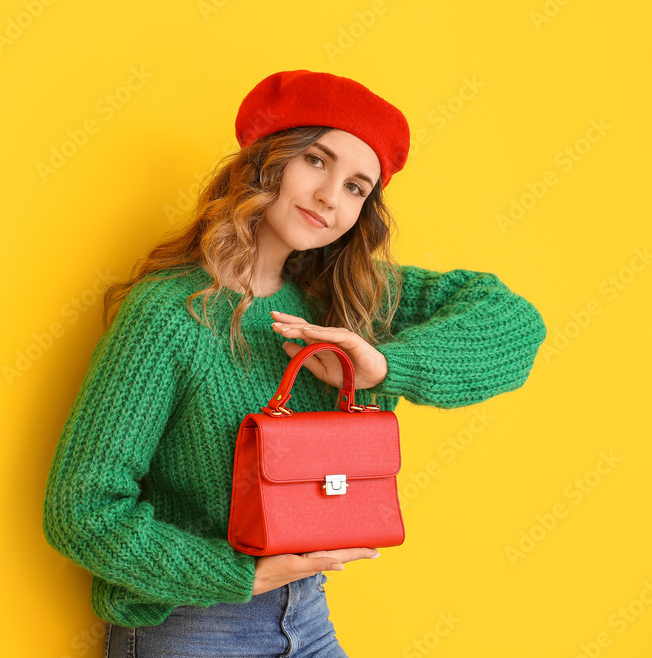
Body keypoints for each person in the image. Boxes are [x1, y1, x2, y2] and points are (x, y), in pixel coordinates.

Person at [42, 70, 547, 657]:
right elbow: (82, 508)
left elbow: (514, 324)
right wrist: (236, 576)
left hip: (307, 616)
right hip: (194, 626)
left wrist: (383, 366)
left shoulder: (346, 296)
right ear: (267, 162)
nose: (332, 196)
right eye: (316, 160)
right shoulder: (171, 314)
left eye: (357, 187)